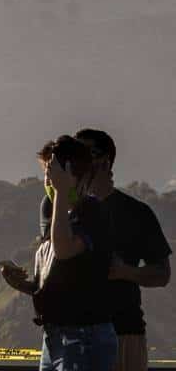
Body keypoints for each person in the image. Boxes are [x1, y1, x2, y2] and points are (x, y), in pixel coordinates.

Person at [0, 136, 116, 371]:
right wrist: (25, 285)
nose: (48, 182)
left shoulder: (93, 212)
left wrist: (62, 193)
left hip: (83, 337)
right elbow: (62, 276)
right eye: (47, 174)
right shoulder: (55, 211)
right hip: (54, 336)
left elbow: (63, 250)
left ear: (76, 176)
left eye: (53, 175)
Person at [75, 129, 171, 371]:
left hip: (124, 334)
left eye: (86, 154)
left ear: (106, 162)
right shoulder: (67, 211)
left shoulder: (137, 213)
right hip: (73, 336)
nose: (79, 162)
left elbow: (163, 274)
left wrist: (125, 272)